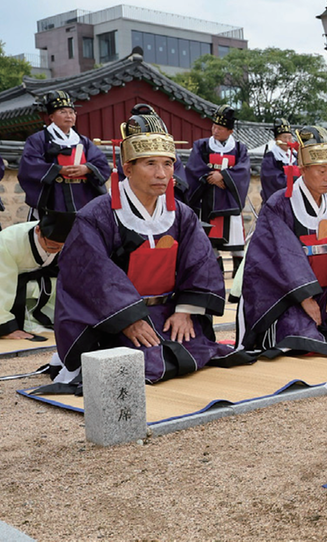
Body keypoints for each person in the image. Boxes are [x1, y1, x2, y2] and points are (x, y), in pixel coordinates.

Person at [45, 105, 239, 389]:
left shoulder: (182, 214)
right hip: (116, 318)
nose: (162, 174)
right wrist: (128, 319)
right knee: (138, 365)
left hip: (170, 313)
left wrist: (185, 310)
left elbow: (200, 262)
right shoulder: (97, 214)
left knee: (191, 355)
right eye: (150, 164)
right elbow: (90, 274)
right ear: (127, 168)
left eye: (168, 164)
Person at [236, 126, 327, 358]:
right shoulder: (279, 205)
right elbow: (281, 256)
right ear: (302, 169)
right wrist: (305, 298)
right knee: (300, 335)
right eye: (321, 171)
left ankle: (326, 320)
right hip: (287, 295)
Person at [19, 91, 110, 219]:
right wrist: (59, 169)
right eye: (63, 112)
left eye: (71, 112)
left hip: (83, 197)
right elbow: (29, 166)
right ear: (51, 117)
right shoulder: (38, 140)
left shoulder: (83, 141)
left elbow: (101, 163)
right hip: (54, 198)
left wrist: (87, 168)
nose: (69, 116)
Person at [186, 105, 250, 274]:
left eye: (220, 128)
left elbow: (244, 170)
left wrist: (224, 176)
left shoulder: (239, 148)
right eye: (214, 127)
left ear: (230, 131)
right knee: (209, 239)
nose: (215, 131)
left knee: (236, 241)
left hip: (229, 200)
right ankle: (216, 270)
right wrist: (211, 177)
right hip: (207, 200)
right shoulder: (201, 145)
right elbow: (194, 167)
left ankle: (239, 276)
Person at [0, 213, 74, 341]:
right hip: (11, 284)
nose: (57, 250)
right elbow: (3, 285)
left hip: (40, 282)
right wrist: (7, 328)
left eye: (62, 247)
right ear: (38, 230)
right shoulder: (8, 242)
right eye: (52, 246)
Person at [258, 118, 299, 204]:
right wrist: (295, 179)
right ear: (277, 139)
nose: (287, 141)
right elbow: (274, 180)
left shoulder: (295, 156)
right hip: (277, 203)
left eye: (290, 138)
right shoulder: (271, 157)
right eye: (284, 138)